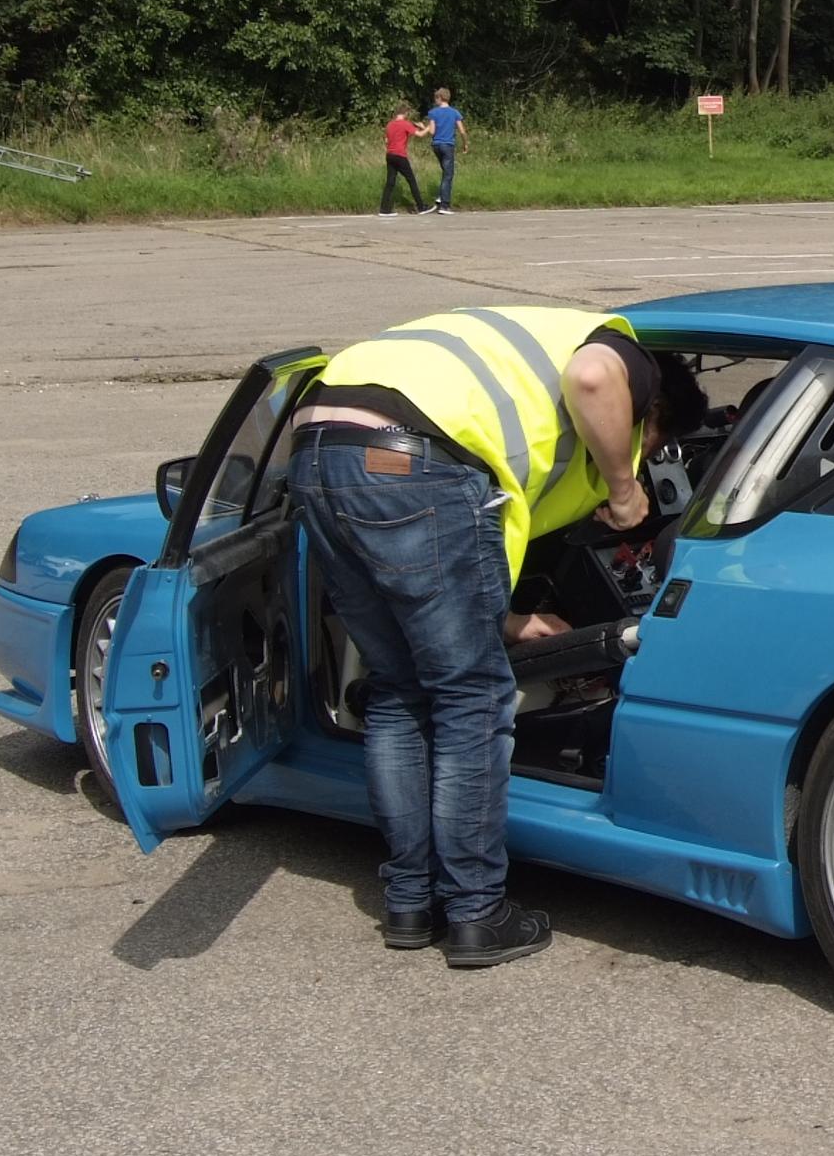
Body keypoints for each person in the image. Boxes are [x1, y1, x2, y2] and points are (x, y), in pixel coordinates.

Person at [288, 308, 708, 968]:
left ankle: (409, 902)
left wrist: (506, 622)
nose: (644, 455)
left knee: (398, 690)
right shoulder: (622, 354)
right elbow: (594, 378)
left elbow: (437, 568)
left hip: (318, 453)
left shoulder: (522, 343)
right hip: (414, 458)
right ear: (650, 412)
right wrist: (626, 489)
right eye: (652, 445)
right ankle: (476, 913)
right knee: (473, 699)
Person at [378, 101, 432, 216]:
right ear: (406, 113)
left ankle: (384, 209)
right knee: (411, 180)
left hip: (390, 154)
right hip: (400, 155)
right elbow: (420, 134)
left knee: (390, 182)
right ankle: (421, 206)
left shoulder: (390, 124)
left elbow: (386, 140)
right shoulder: (405, 124)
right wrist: (427, 127)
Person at [426, 87, 465, 212]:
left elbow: (432, 132)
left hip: (436, 145)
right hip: (448, 145)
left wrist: (424, 127)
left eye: (436, 98)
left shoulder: (433, 112)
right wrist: (465, 143)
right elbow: (462, 131)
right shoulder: (454, 113)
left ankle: (440, 196)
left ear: (440, 98)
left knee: (445, 171)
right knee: (448, 174)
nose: (435, 100)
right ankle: (445, 204)